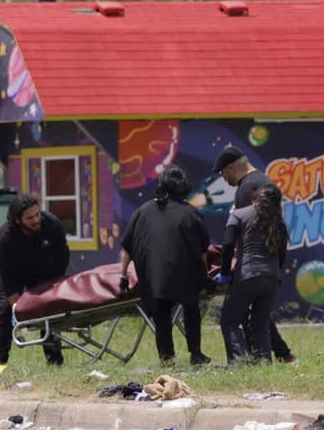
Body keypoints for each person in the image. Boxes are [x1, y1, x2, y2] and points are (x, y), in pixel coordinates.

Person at [212, 145, 299, 365]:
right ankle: (276, 356)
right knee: (259, 316)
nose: (224, 180)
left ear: (232, 167)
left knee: (234, 317)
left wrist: (228, 271)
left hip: (250, 265)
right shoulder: (264, 180)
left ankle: (249, 361)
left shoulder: (246, 187)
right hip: (270, 266)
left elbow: (239, 234)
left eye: (223, 174)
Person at [119, 165, 212, 365]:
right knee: (191, 310)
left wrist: (123, 275)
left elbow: (127, 248)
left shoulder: (142, 211)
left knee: (161, 316)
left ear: (163, 187)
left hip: (154, 278)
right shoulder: (191, 213)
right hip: (186, 277)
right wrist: (203, 276)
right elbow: (204, 250)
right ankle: (196, 353)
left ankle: (167, 358)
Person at [0, 193, 70, 369]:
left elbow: (62, 256)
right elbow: (7, 276)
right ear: (17, 220)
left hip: (43, 269)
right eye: (29, 218)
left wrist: (55, 285)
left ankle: (55, 361)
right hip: (12, 271)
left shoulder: (52, 224)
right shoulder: (6, 238)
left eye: (37, 214)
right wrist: (16, 309)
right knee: (4, 309)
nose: (36, 220)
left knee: (49, 307)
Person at [218, 184, 289, 362]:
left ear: (254, 199)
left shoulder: (239, 214)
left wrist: (225, 273)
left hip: (247, 274)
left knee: (230, 321)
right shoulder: (279, 221)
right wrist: (273, 274)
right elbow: (282, 255)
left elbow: (227, 244)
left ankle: (239, 363)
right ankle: (263, 364)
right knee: (261, 325)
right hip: (272, 279)